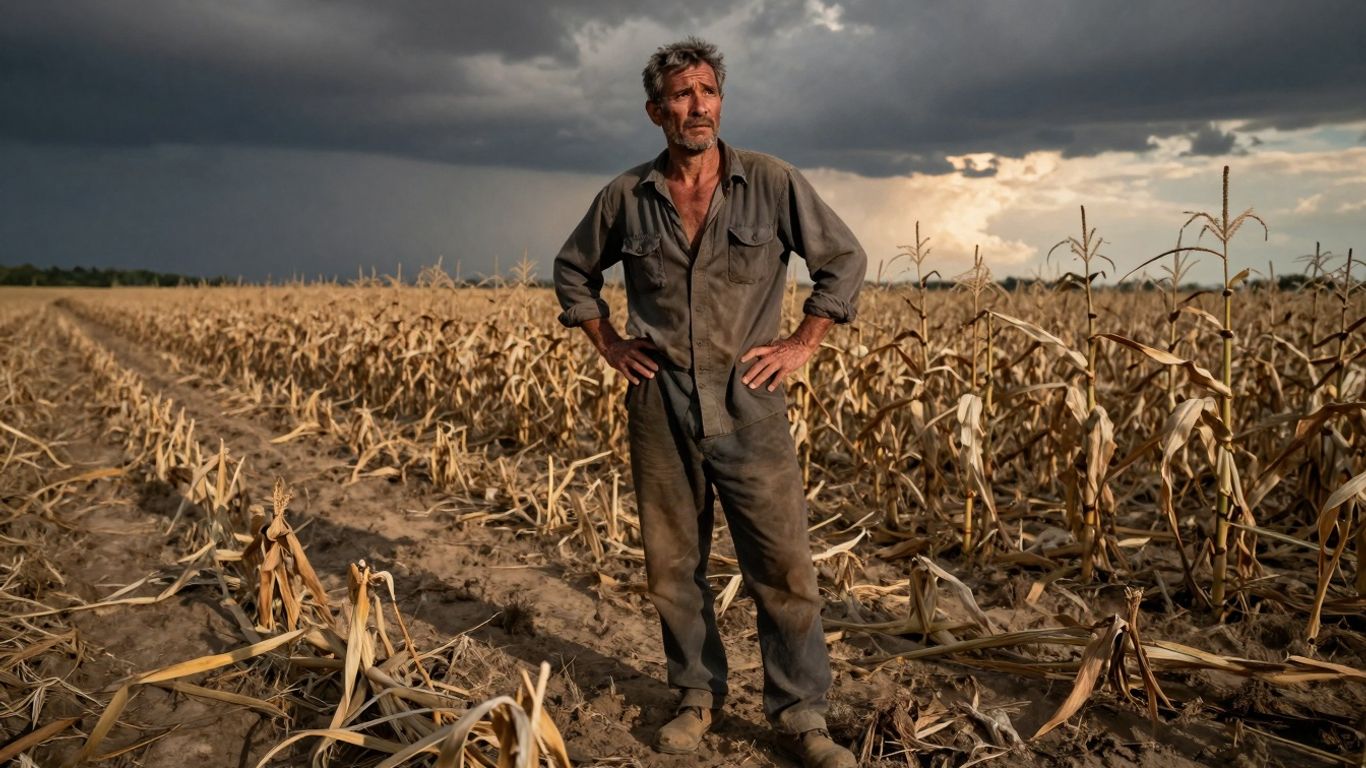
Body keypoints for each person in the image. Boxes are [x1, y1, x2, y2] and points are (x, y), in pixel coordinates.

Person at [553, 37, 864, 768]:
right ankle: (696, 697)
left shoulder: (770, 182)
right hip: (660, 405)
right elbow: (573, 273)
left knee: (783, 569)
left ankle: (800, 716)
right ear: (656, 109)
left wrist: (803, 342)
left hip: (749, 403)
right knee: (672, 569)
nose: (698, 107)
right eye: (683, 95)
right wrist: (609, 345)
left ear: (721, 101)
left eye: (708, 92)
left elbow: (842, 261)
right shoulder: (627, 197)